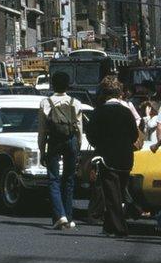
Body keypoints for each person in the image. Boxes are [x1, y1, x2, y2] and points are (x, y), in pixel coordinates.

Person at [87, 75, 140, 238]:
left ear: (104, 92)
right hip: (126, 158)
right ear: (119, 92)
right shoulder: (126, 112)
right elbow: (133, 135)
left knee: (112, 195)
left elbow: (91, 135)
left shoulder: (99, 112)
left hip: (106, 158)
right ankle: (109, 226)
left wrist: (101, 145)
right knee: (118, 191)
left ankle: (120, 229)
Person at [38, 71, 82, 230]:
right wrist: (78, 147)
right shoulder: (75, 102)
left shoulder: (46, 102)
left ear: (52, 84)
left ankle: (60, 215)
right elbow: (79, 128)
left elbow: (42, 130)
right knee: (69, 179)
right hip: (70, 141)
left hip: (54, 141)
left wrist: (42, 150)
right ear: (67, 85)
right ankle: (69, 218)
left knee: (53, 179)